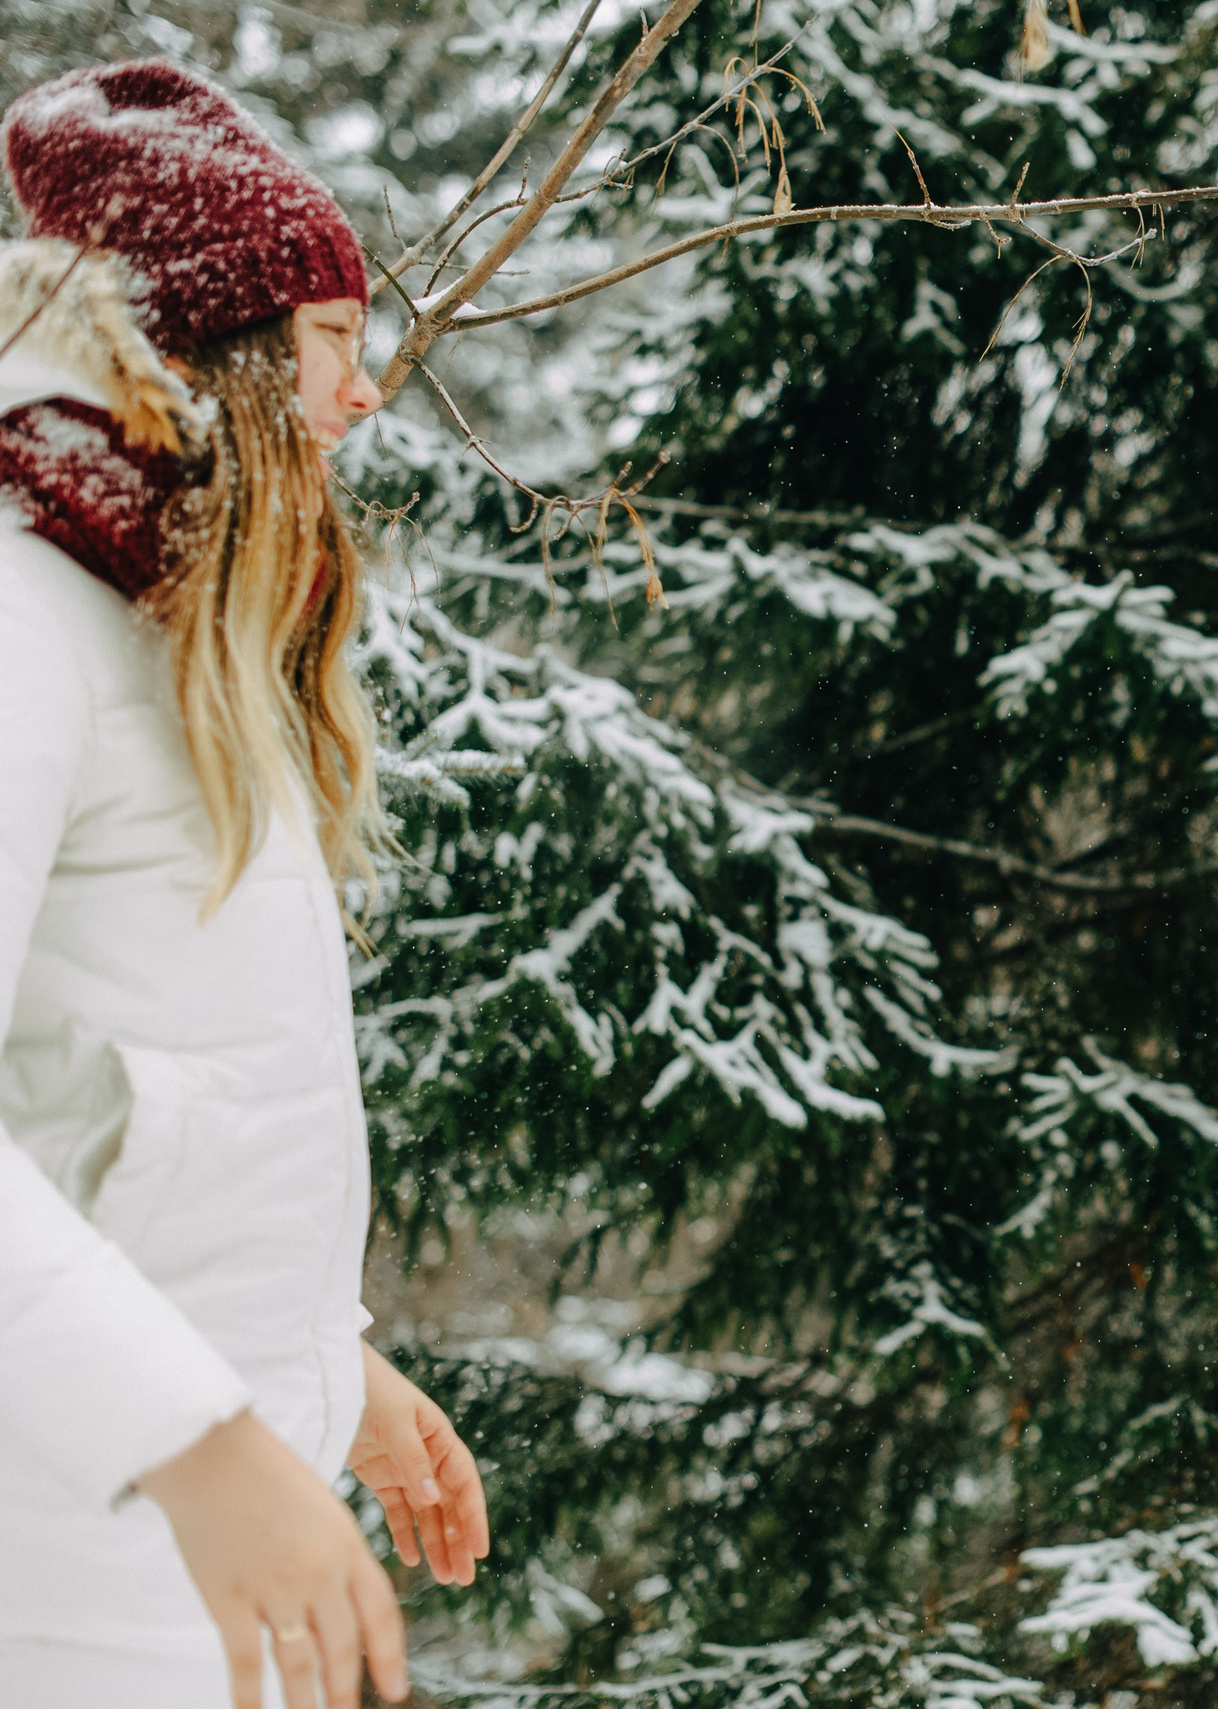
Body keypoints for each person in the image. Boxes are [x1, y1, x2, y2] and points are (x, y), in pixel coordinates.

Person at [0, 60, 489, 1709]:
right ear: (218, 350)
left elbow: (136, 1094)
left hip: (181, 1582)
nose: (365, 392)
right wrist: (198, 1440)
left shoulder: (171, 637)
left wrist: (322, 1362)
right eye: (334, 338)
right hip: (62, 1585)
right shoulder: (21, 624)